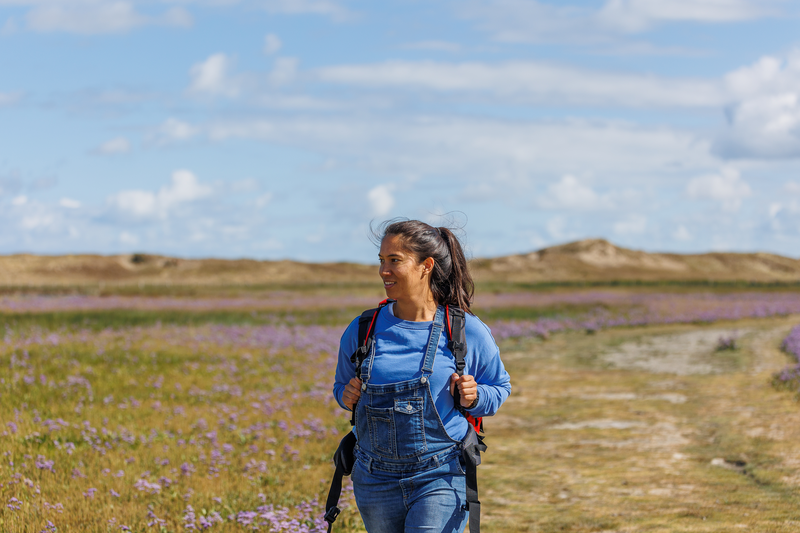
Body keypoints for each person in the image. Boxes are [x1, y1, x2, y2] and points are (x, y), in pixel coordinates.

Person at [333, 219, 511, 533]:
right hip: (373, 480)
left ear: (425, 266)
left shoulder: (465, 329)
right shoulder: (363, 328)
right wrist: (345, 396)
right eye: (381, 261)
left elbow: (499, 388)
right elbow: (341, 387)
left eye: (395, 261)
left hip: (440, 474)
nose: (383, 271)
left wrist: (475, 396)